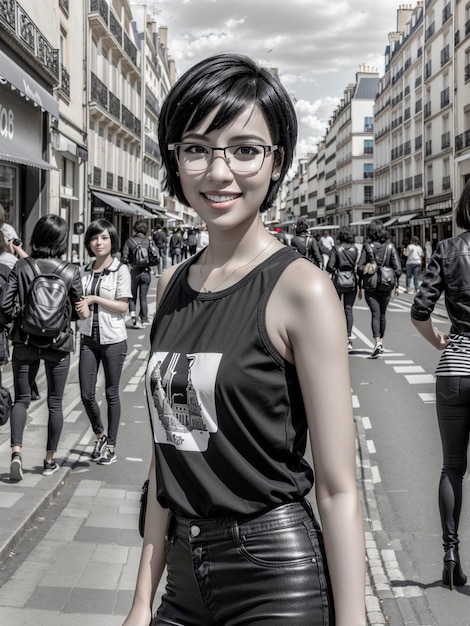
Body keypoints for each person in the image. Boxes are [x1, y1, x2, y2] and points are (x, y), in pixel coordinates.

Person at [124, 53, 365, 626]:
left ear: (275, 162)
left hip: (275, 580)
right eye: (197, 148)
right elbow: (167, 458)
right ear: (175, 161)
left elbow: (337, 489)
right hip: (182, 585)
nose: (219, 171)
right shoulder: (170, 285)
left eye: (245, 149)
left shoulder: (301, 289)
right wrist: (140, 601)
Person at [410, 179, 470, 590]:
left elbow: (419, 311)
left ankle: (450, 554)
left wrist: (440, 342)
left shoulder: (448, 250)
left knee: (452, 467)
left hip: (454, 367)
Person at [0, 214, 86, 481]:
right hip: (58, 344)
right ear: (61, 240)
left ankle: (16, 453)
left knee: (22, 400)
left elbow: (4, 306)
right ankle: (49, 461)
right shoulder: (72, 270)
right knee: (55, 403)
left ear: (36, 236)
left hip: (25, 341)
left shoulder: (22, 267)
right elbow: (77, 310)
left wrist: (24, 316)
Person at [75, 219, 132, 466]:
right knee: (86, 394)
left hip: (113, 340)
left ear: (112, 241)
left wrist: (95, 299)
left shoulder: (121, 270)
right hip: (88, 338)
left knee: (111, 393)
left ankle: (111, 445)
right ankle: (99, 434)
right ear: (89, 242)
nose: (99, 242)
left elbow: (123, 305)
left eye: (104, 238)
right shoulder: (83, 270)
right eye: (95, 238)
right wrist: (81, 309)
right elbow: (80, 306)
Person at [357, 219, 401, 358]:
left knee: (375, 314)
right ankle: (380, 342)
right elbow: (398, 269)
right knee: (382, 314)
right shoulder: (390, 247)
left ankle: (377, 342)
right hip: (386, 285)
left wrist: (369, 268)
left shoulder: (367, 246)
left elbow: (359, 268)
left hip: (371, 285)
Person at [326, 225, 359, 351]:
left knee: (336, 309)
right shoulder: (355, 249)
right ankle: (348, 338)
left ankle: (335, 336)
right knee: (348, 310)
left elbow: (330, 266)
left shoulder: (337, 249)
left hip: (338, 281)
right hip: (351, 281)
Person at [122, 220, 152, 328]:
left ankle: (134, 320)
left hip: (134, 272)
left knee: (132, 297)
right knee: (143, 298)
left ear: (135, 229)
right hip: (146, 272)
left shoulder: (129, 241)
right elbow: (153, 256)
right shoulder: (148, 242)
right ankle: (144, 320)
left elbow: (124, 259)